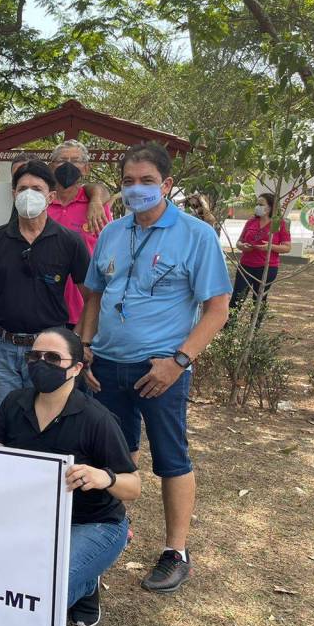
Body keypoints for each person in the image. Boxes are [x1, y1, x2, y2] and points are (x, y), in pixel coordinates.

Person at [79, 142, 231, 593]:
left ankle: (175, 552)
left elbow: (217, 309)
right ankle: (112, 530)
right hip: (106, 364)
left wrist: (178, 362)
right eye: (128, 181)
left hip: (160, 370)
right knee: (114, 453)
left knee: (171, 458)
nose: (136, 188)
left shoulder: (195, 235)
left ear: (166, 184)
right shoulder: (112, 232)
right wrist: (84, 347)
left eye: (147, 181)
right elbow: (94, 295)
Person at [0, 327, 140, 626]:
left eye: (52, 358)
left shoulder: (96, 418)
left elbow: (133, 486)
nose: (41, 364)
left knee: (41, 596)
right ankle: (82, 575)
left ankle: (85, 582)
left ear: (76, 368)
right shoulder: (16, 402)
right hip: (34, 521)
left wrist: (105, 478)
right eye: (34, 356)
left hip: (94, 523)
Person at [0, 161, 90, 421]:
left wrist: (78, 341)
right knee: (0, 421)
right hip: (2, 347)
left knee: (45, 422)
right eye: (23, 189)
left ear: (50, 196)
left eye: (37, 189)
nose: (29, 194)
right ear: (14, 194)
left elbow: (91, 297)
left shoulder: (69, 241)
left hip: (49, 352)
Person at [47, 140, 113, 326]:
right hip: (44, 307)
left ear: (86, 168)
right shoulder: (42, 204)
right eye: (62, 160)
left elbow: (109, 253)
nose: (68, 165)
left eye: (76, 161)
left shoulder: (97, 208)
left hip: (85, 308)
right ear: (51, 167)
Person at [231, 192, 290, 316]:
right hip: (246, 266)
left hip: (267, 267)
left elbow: (287, 247)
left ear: (271, 207)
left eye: (261, 204)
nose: (257, 207)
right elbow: (239, 242)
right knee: (237, 298)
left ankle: (254, 326)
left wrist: (270, 247)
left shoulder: (279, 223)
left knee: (259, 300)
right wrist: (242, 246)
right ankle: (229, 325)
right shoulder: (251, 222)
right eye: (257, 204)